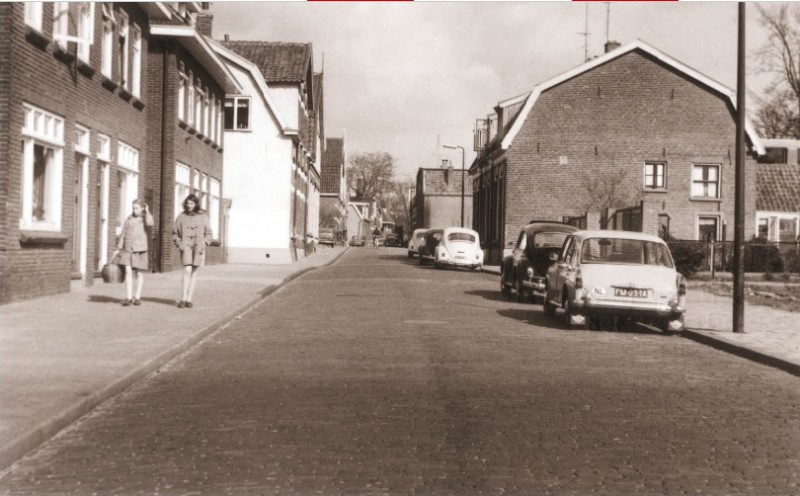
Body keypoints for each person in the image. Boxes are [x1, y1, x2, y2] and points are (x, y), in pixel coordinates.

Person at [173, 193, 213, 309]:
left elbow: (209, 234)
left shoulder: (203, 217)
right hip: (186, 246)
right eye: (188, 203)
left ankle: (189, 299)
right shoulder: (181, 217)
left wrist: (204, 243)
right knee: (187, 270)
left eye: (191, 203)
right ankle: (183, 298)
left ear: (196, 204)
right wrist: (180, 244)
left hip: (198, 247)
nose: (189, 205)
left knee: (194, 272)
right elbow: (175, 233)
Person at [112, 199, 154, 306]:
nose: (134, 210)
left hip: (140, 250)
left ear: (142, 208)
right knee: (128, 271)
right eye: (133, 208)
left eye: (136, 208)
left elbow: (150, 223)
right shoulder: (128, 219)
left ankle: (138, 296)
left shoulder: (145, 219)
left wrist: (147, 211)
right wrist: (118, 248)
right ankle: (128, 296)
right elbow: (123, 233)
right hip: (128, 249)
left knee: (139, 273)